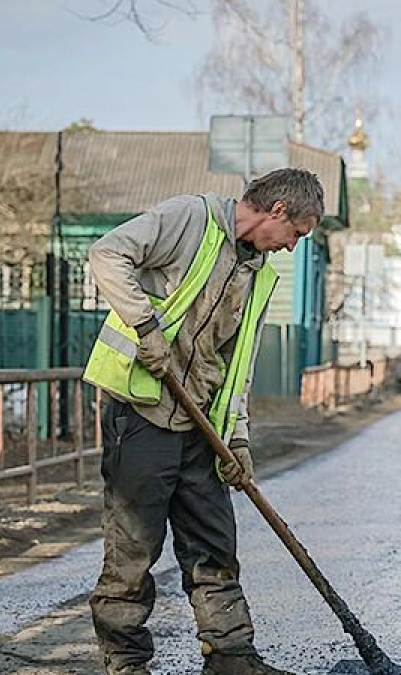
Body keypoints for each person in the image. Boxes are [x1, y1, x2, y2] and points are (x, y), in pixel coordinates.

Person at [83, 168, 324, 675]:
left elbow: (238, 370)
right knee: (134, 548)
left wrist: (236, 440)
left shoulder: (258, 275)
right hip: (142, 412)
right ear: (277, 212)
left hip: (200, 427)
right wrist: (145, 327)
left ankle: (231, 658)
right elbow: (107, 255)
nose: (291, 247)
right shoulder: (190, 219)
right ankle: (125, 663)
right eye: (296, 234)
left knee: (214, 544)